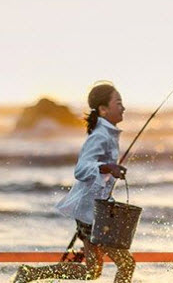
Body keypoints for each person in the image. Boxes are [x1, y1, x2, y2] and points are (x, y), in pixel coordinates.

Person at [13, 82, 136, 283]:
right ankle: (31, 274)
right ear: (103, 109)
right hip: (92, 214)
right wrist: (107, 167)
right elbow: (81, 170)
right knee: (126, 264)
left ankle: (31, 274)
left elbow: (98, 173)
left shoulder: (107, 134)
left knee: (91, 272)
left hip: (95, 211)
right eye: (118, 102)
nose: (123, 107)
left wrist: (111, 170)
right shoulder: (99, 136)